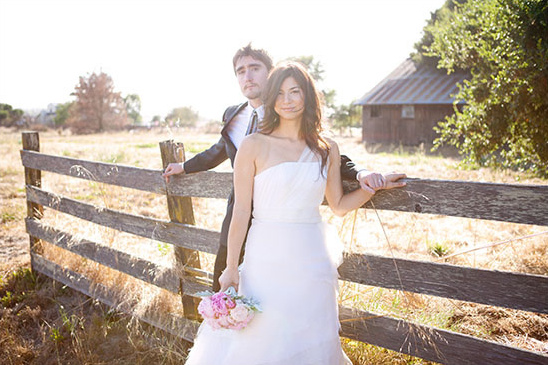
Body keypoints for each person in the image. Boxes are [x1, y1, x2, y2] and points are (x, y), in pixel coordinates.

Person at [184, 61, 406, 364]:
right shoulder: (253, 146)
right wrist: (232, 266)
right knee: (263, 337)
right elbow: (240, 214)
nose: (287, 101)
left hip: (311, 259)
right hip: (265, 257)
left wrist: (373, 187)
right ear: (271, 99)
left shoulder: (326, 148)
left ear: (308, 97)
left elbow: (339, 206)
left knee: (311, 337)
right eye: (280, 94)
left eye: (295, 92)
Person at [163, 44, 404, 291]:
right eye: (241, 71)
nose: (248, 76)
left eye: (255, 68)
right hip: (241, 215)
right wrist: (184, 166)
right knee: (227, 291)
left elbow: (323, 157)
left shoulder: (292, 117)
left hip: (297, 233)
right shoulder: (234, 115)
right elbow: (219, 150)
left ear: (270, 72)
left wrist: (364, 175)